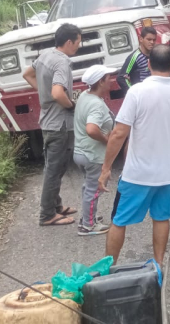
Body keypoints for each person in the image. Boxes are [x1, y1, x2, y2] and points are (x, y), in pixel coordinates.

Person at [98, 45, 170, 265]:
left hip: (138, 173)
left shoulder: (137, 91)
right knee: (162, 218)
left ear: (148, 64)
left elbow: (118, 133)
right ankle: (158, 264)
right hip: (168, 172)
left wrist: (106, 168)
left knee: (119, 221)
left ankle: (108, 270)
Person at [23, 23, 82, 227]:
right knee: (54, 169)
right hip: (59, 124)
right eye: (78, 41)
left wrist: (44, 93)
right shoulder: (62, 62)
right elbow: (58, 93)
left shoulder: (45, 55)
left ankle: (56, 206)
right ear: (69, 42)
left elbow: (27, 74)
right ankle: (47, 214)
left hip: (49, 121)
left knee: (56, 167)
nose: (79, 46)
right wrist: (70, 105)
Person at [73, 64, 117, 236]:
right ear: (100, 82)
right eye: (108, 78)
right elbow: (91, 129)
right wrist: (107, 140)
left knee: (88, 187)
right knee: (93, 189)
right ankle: (88, 226)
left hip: (81, 152)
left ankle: (88, 217)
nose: (111, 81)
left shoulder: (85, 95)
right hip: (92, 154)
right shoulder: (96, 105)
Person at [117, 26, 156, 93]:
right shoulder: (135, 57)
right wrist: (133, 92)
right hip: (142, 94)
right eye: (149, 39)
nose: (152, 42)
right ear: (141, 39)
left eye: (154, 40)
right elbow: (121, 78)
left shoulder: (156, 54)